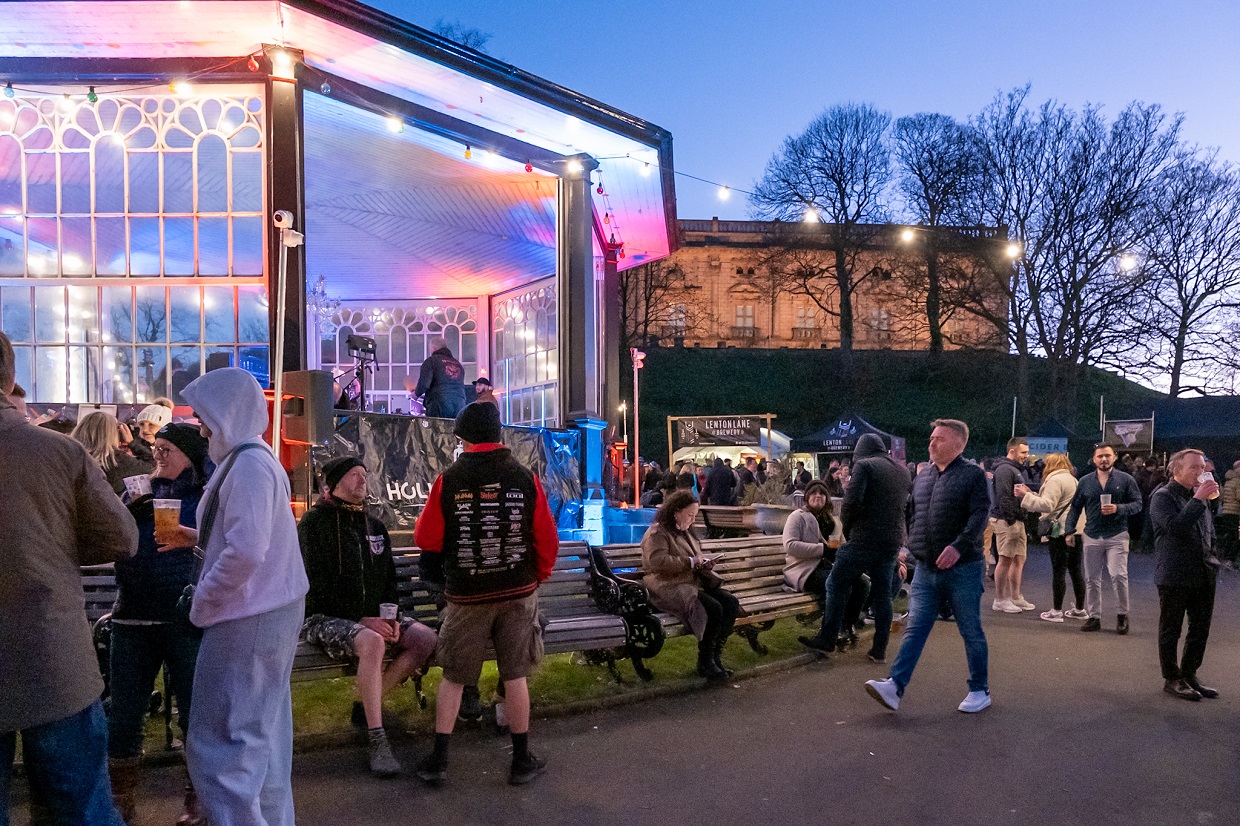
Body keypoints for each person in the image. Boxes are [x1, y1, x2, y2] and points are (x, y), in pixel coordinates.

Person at [0, 331, 139, 825]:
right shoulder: (56, 453)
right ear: (10, 378)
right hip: (49, 654)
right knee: (79, 809)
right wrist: (52, 547)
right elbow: (122, 539)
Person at [175, 368, 309, 825]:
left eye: (204, 415)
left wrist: (205, 601)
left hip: (247, 615)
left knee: (224, 747)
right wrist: (196, 538)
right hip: (265, 610)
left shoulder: (249, 464)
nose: (200, 425)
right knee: (262, 739)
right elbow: (252, 539)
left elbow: (247, 550)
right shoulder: (253, 459)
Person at [413, 402, 558, 786]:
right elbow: (546, 536)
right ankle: (521, 759)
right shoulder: (525, 477)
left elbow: (426, 537)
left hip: (467, 595)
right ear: (498, 436)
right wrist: (536, 577)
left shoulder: (449, 479)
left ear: (463, 437)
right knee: (515, 676)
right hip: (518, 590)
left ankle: (439, 759)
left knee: (455, 676)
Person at [299, 455, 438, 776]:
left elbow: (388, 580)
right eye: (354, 475)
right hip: (323, 617)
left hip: (371, 620)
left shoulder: (373, 525)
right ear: (331, 485)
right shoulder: (313, 524)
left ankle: (364, 706)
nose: (363, 480)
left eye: (364, 474)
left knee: (425, 639)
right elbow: (312, 586)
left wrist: (390, 616)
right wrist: (363, 620)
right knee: (373, 643)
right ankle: (377, 739)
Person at [107, 423, 210, 825]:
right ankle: (121, 798)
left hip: (183, 615)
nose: (158, 456)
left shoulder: (203, 497)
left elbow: (223, 543)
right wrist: (122, 515)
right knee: (125, 711)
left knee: (193, 709)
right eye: (157, 449)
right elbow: (111, 539)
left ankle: (196, 796)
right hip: (133, 613)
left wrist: (193, 537)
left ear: (189, 454)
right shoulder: (134, 492)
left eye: (168, 449)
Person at [864, 419, 991, 714]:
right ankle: (895, 685)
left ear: (959, 445)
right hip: (925, 568)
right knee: (915, 630)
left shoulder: (973, 476)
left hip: (964, 569)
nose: (932, 443)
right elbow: (913, 514)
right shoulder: (923, 476)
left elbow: (979, 516)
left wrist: (958, 547)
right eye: (932, 438)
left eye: (940, 439)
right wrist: (911, 545)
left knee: (970, 630)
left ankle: (979, 689)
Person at [800, 433, 911, 663]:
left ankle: (828, 638)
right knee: (882, 595)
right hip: (891, 540)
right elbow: (905, 508)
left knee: (836, 582)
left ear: (860, 451)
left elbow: (851, 502)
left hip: (864, 539)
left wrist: (849, 532)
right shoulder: (902, 471)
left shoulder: (864, 465)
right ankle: (879, 650)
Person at [640, 490, 741, 682]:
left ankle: (714, 656)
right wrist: (691, 562)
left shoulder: (685, 532)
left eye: (695, 516)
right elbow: (658, 562)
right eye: (690, 515)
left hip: (689, 582)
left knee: (730, 603)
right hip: (667, 586)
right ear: (676, 511)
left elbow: (694, 558)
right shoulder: (657, 532)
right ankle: (705, 661)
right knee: (713, 608)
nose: (692, 520)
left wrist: (704, 563)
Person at [1150, 449, 1221, 701]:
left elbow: (1207, 531)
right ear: (1176, 470)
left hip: (1203, 570)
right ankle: (1172, 677)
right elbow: (1175, 528)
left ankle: (1190, 673)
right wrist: (1198, 500)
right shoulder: (1162, 496)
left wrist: (1214, 557)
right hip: (1175, 573)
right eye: (1194, 468)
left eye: (1203, 467)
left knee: (1200, 628)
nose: (1201, 472)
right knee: (1171, 628)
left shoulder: (1198, 496)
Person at [1065, 444, 1144, 634]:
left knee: (1118, 575)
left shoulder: (1126, 479)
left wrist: (1119, 508)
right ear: (1094, 459)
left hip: (1117, 534)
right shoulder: (1085, 481)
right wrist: (1069, 530)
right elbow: (1075, 507)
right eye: (1100, 456)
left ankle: (1122, 615)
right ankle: (1094, 617)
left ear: (1114, 457)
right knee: (1092, 579)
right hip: (1091, 534)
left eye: (1107, 456)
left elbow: (1138, 504)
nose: (1103, 459)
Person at [1017, 453, 1085, 622]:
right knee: (1076, 571)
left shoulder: (1055, 480)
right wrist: (1032, 493)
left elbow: (1048, 505)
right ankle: (1080, 609)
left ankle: (1056, 611)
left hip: (1059, 531)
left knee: (1058, 571)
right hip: (1076, 529)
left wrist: (1025, 496)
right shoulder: (1072, 479)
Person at [990, 437, 1033, 613]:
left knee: (1018, 559)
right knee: (1005, 559)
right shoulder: (1004, 470)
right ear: (1012, 451)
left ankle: (1015, 596)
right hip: (1007, 520)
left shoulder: (1014, 470)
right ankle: (1000, 599)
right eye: (1023, 452)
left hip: (1017, 519)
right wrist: (1011, 519)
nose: (1026, 456)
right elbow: (1004, 497)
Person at [72, 411, 155, 495]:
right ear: (113, 434)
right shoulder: (116, 460)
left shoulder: (68, 455)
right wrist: (131, 442)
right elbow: (152, 466)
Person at [415, 336, 467, 419]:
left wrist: (415, 394)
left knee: (437, 430)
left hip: (439, 404)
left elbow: (424, 384)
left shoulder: (431, 361)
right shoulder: (458, 365)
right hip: (460, 404)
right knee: (454, 431)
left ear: (434, 348)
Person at [1216, 461, 1240, 568]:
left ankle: (1225, 557)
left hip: (1226, 511)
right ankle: (1230, 559)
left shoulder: (1228, 480)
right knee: (1236, 536)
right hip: (1235, 511)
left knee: (1230, 535)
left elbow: (1222, 497)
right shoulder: (1238, 481)